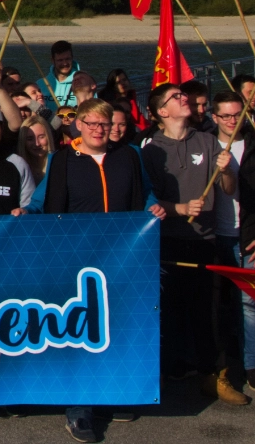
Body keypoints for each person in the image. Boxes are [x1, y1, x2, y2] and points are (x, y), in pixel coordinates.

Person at [43, 98, 162, 440]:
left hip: (122, 257)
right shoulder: (62, 160)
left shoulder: (129, 156)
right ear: (77, 124)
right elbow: (48, 206)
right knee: (81, 331)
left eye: (105, 125)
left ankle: (113, 395)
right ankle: (78, 407)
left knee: (117, 326)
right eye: (92, 123)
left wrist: (153, 211)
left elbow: (143, 198)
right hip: (77, 259)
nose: (98, 130)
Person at [139, 83, 243, 405]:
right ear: (161, 112)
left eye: (182, 95)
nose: (184, 99)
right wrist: (179, 209)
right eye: (175, 97)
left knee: (205, 313)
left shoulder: (207, 140)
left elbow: (227, 189)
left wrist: (226, 171)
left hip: (203, 240)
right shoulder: (150, 149)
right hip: (167, 241)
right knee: (166, 311)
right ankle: (162, 374)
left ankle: (210, 376)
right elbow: (149, 199)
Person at [209, 91, 255, 396]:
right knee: (215, 304)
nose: (230, 121)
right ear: (215, 118)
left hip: (248, 238)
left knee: (249, 304)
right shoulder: (204, 144)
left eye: (236, 115)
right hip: (214, 236)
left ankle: (252, 364)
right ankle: (218, 364)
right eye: (225, 115)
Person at [18, 114, 57, 213]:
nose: (37, 143)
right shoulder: (17, 165)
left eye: (41, 137)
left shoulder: (57, 162)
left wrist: (30, 102)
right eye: (30, 139)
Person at [40, 40, 80, 110]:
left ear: (72, 58)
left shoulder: (83, 82)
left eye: (67, 59)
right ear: (52, 60)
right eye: (60, 60)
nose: (65, 63)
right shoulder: (40, 84)